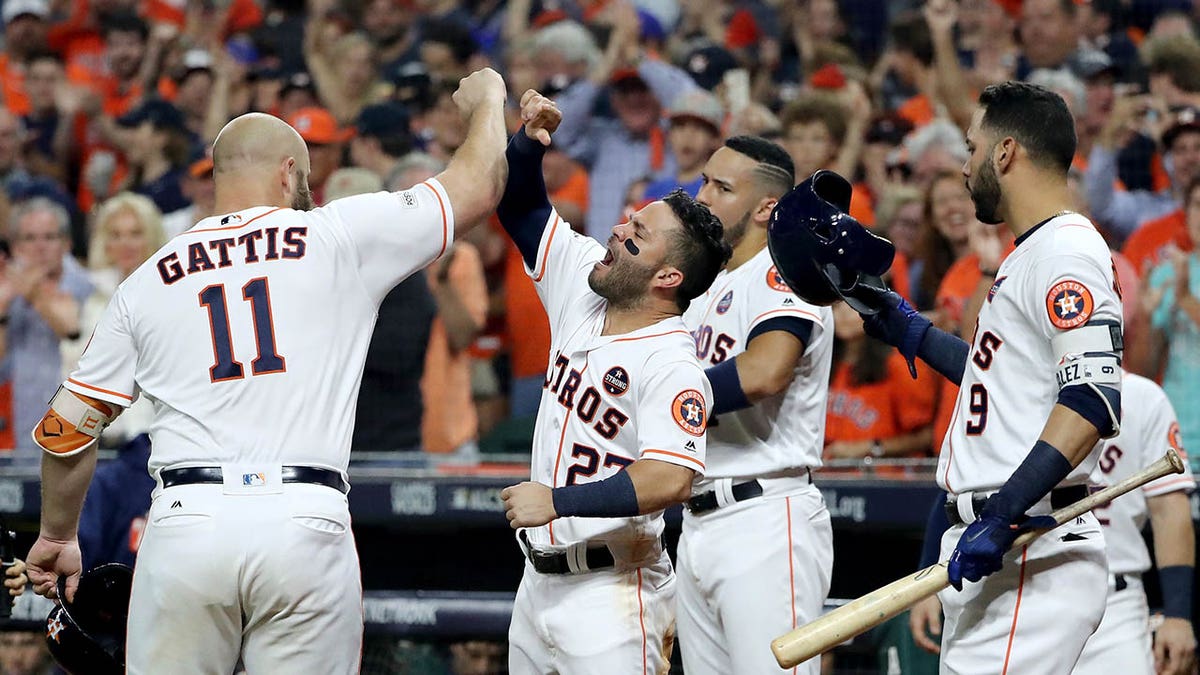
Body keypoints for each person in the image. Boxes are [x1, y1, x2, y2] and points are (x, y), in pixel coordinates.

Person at [23, 67, 510, 674]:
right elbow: (476, 186)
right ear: (287, 173)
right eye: (303, 179)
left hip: (185, 523)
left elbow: (68, 428)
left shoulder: (147, 278)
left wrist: (57, 534)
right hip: (303, 520)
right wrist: (490, 100)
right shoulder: (335, 235)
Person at [853, 81, 1124, 671]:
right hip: (1002, 548)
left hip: (1029, 543)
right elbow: (998, 377)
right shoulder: (1032, 251)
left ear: (1006, 154)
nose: (966, 164)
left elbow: (1093, 398)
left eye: (973, 149)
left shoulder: (1065, 251)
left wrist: (1003, 513)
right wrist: (910, 330)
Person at [497, 89, 729, 674]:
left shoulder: (674, 365)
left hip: (615, 593)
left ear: (668, 276)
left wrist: (558, 502)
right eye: (631, 218)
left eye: (639, 234)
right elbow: (523, 209)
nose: (620, 228)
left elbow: (670, 477)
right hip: (537, 581)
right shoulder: (583, 284)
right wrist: (528, 144)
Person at [910, 372, 1196, 675]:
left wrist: (1178, 614)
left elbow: (1170, 512)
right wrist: (929, 579)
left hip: (1115, 602)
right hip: (1013, 589)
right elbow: (964, 489)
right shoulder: (1010, 385)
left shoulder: (1142, 397)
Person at [675, 134, 835, 675]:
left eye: (722, 187)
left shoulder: (785, 269)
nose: (703, 196)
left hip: (765, 516)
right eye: (704, 180)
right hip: (700, 517)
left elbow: (766, 371)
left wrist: (668, 398)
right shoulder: (704, 285)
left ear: (766, 206)